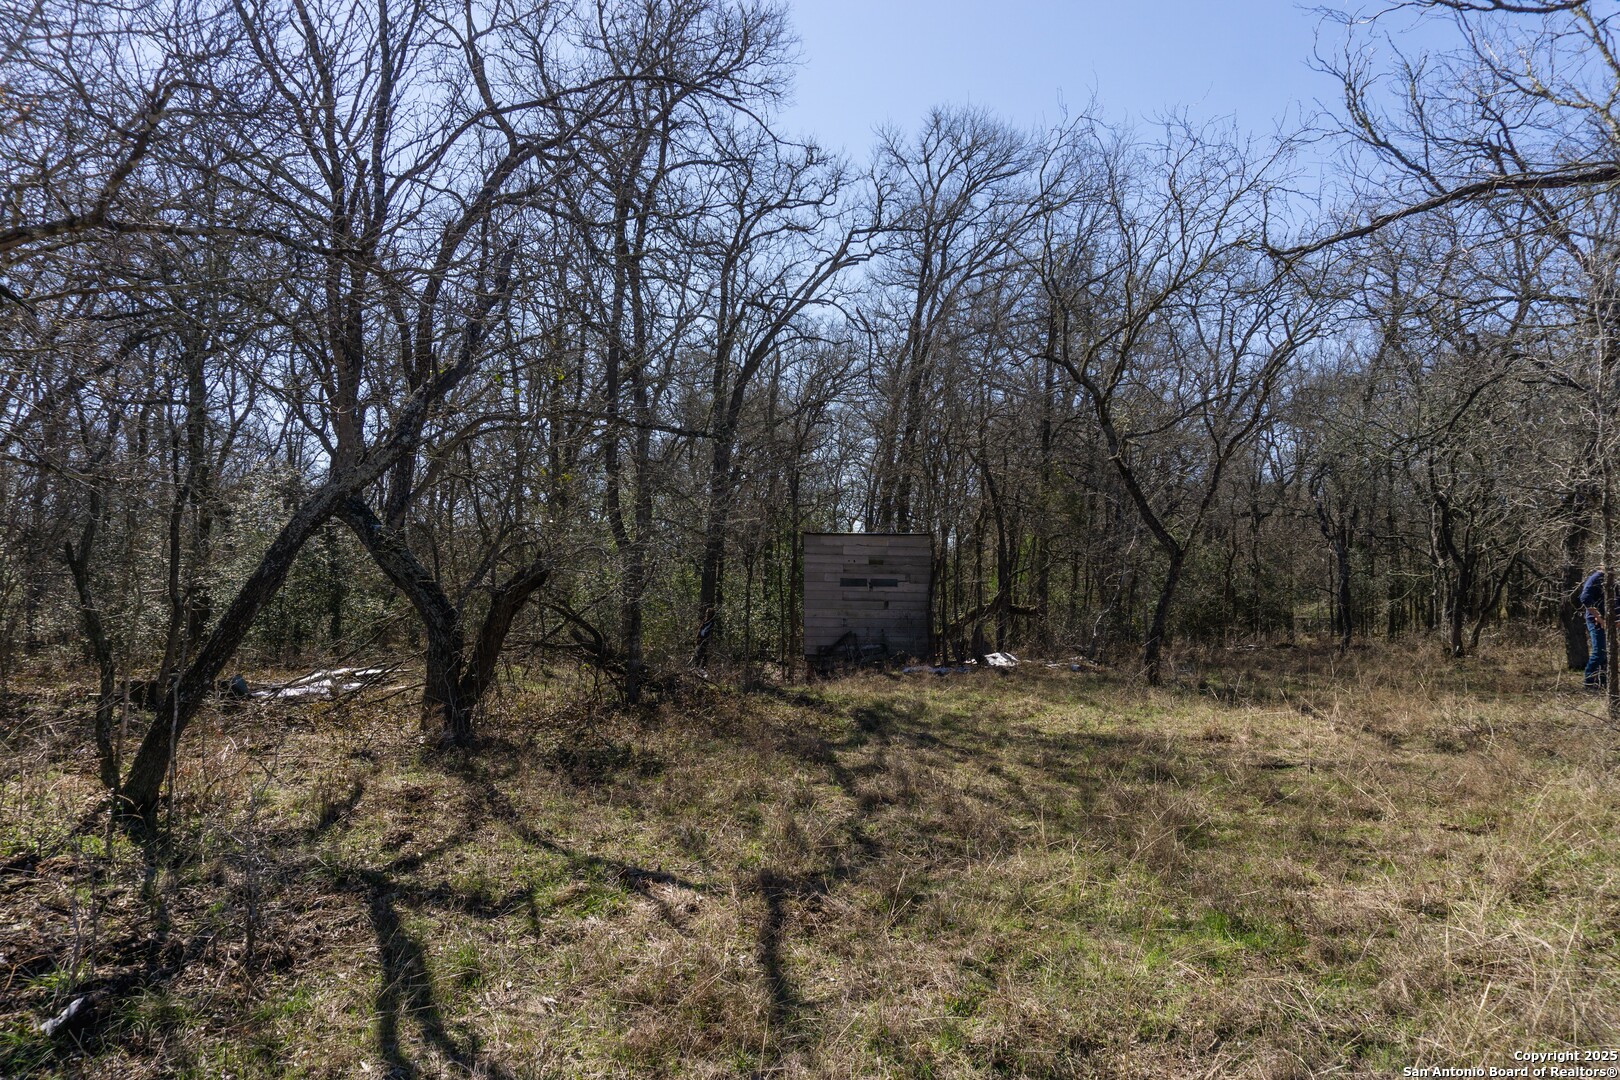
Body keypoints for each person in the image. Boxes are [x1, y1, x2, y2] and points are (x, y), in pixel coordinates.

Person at [1580, 567, 1607, 689]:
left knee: (1606, 653)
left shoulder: (1612, 581)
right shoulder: (1596, 578)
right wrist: (1598, 616)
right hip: (1595, 621)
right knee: (1599, 652)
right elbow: (1585, 598)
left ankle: (1604, 682)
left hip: (1609, 622)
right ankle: (1589, 682)